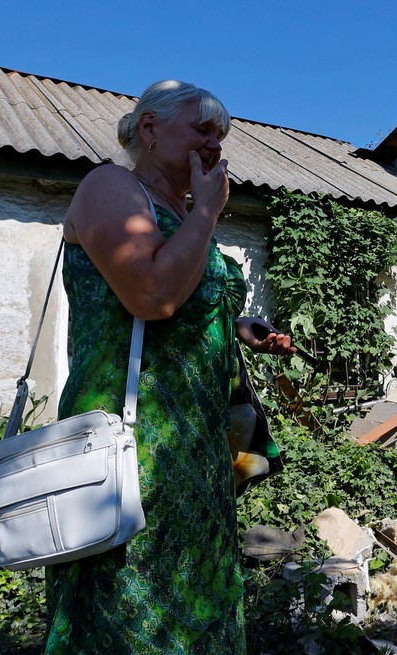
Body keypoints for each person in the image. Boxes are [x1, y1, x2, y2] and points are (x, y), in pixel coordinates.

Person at [45, 80, 293, 654]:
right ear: (150, 131)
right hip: (133, 440)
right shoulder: (111, 187)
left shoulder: (180, 212)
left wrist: (238, 327)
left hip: (191, 444)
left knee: (193, 590)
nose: (215, 143)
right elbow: (152, 296)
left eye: (222, 134)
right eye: (201, 128)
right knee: (131, 598)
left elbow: (182, 303)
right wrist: (208, 210)